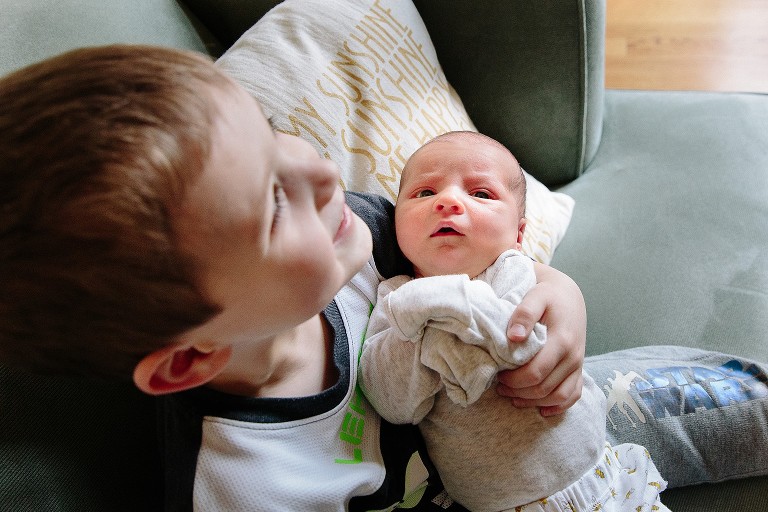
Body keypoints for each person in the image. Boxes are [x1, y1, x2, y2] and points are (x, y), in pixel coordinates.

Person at [0, 46, 589, 511]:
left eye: (268, 131)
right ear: (189, 359)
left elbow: (482, 260)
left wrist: (559, 294)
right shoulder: (248, 486)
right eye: (274, 205)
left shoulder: (353, 236)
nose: (322, 168)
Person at [359, 131, 670, 511]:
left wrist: (443, 316)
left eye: (481, 194)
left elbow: (513, 345)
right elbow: (390, 401)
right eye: (425, 193)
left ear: (518, 233)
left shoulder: (514, 273)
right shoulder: (395, 297)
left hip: (600, 477)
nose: (448, 201)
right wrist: (423, 308)